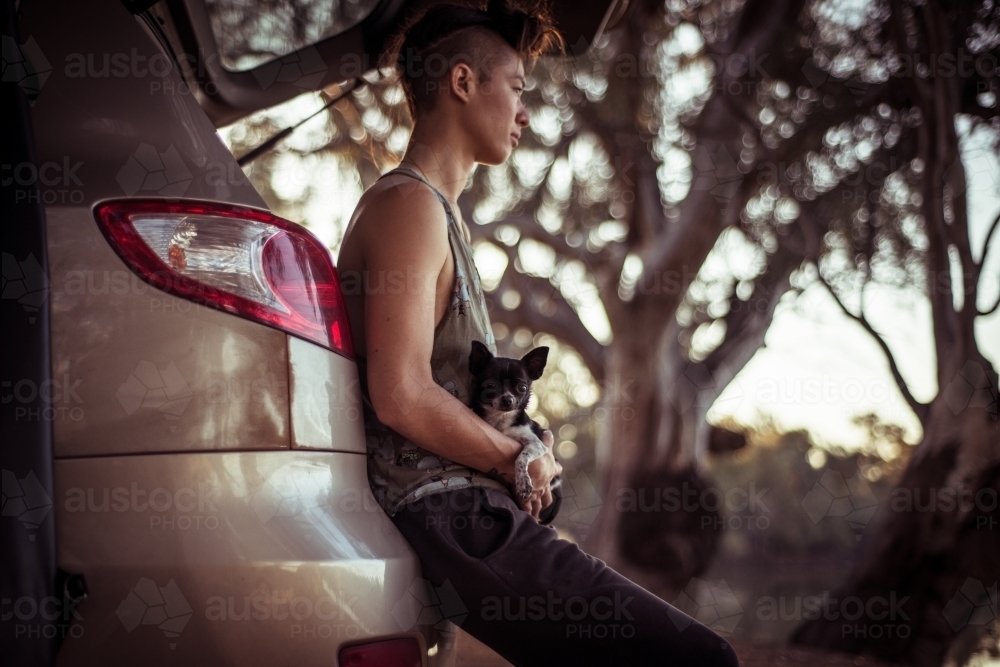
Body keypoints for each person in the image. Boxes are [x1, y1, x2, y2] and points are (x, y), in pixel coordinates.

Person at [336, 1, 740, 664]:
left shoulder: (442, 216)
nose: (526, 113)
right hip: (450, 517)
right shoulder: (408, 205)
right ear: (463, 84)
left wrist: (527, 443)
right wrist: (515, 457)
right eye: (518, 89)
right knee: (701, 658)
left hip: (474, 513)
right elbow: (401, 394)